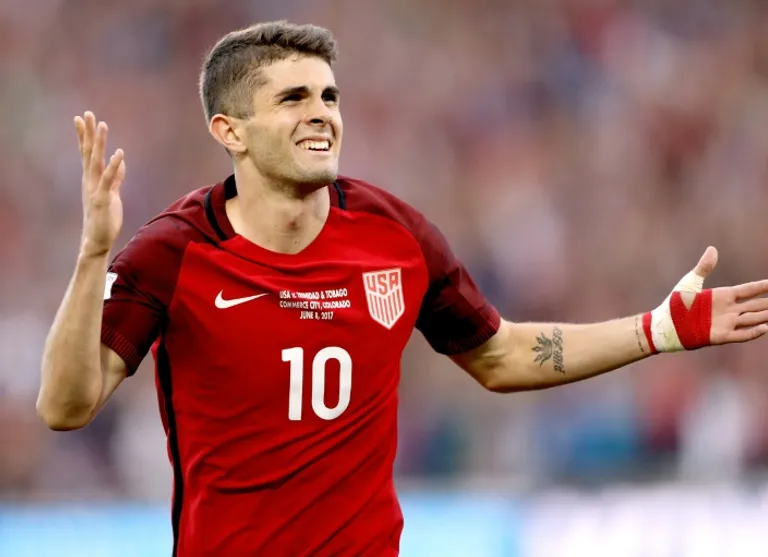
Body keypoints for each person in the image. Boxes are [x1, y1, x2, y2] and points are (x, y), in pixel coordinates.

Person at [36, 20, 768, 557]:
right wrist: (93, 253)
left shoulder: (394, 234)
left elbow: (501, 354)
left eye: (329, 95)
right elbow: (65, 405)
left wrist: (656, 330)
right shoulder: (174, 251)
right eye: (293, 98)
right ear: (231, 131)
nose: (322, 113)